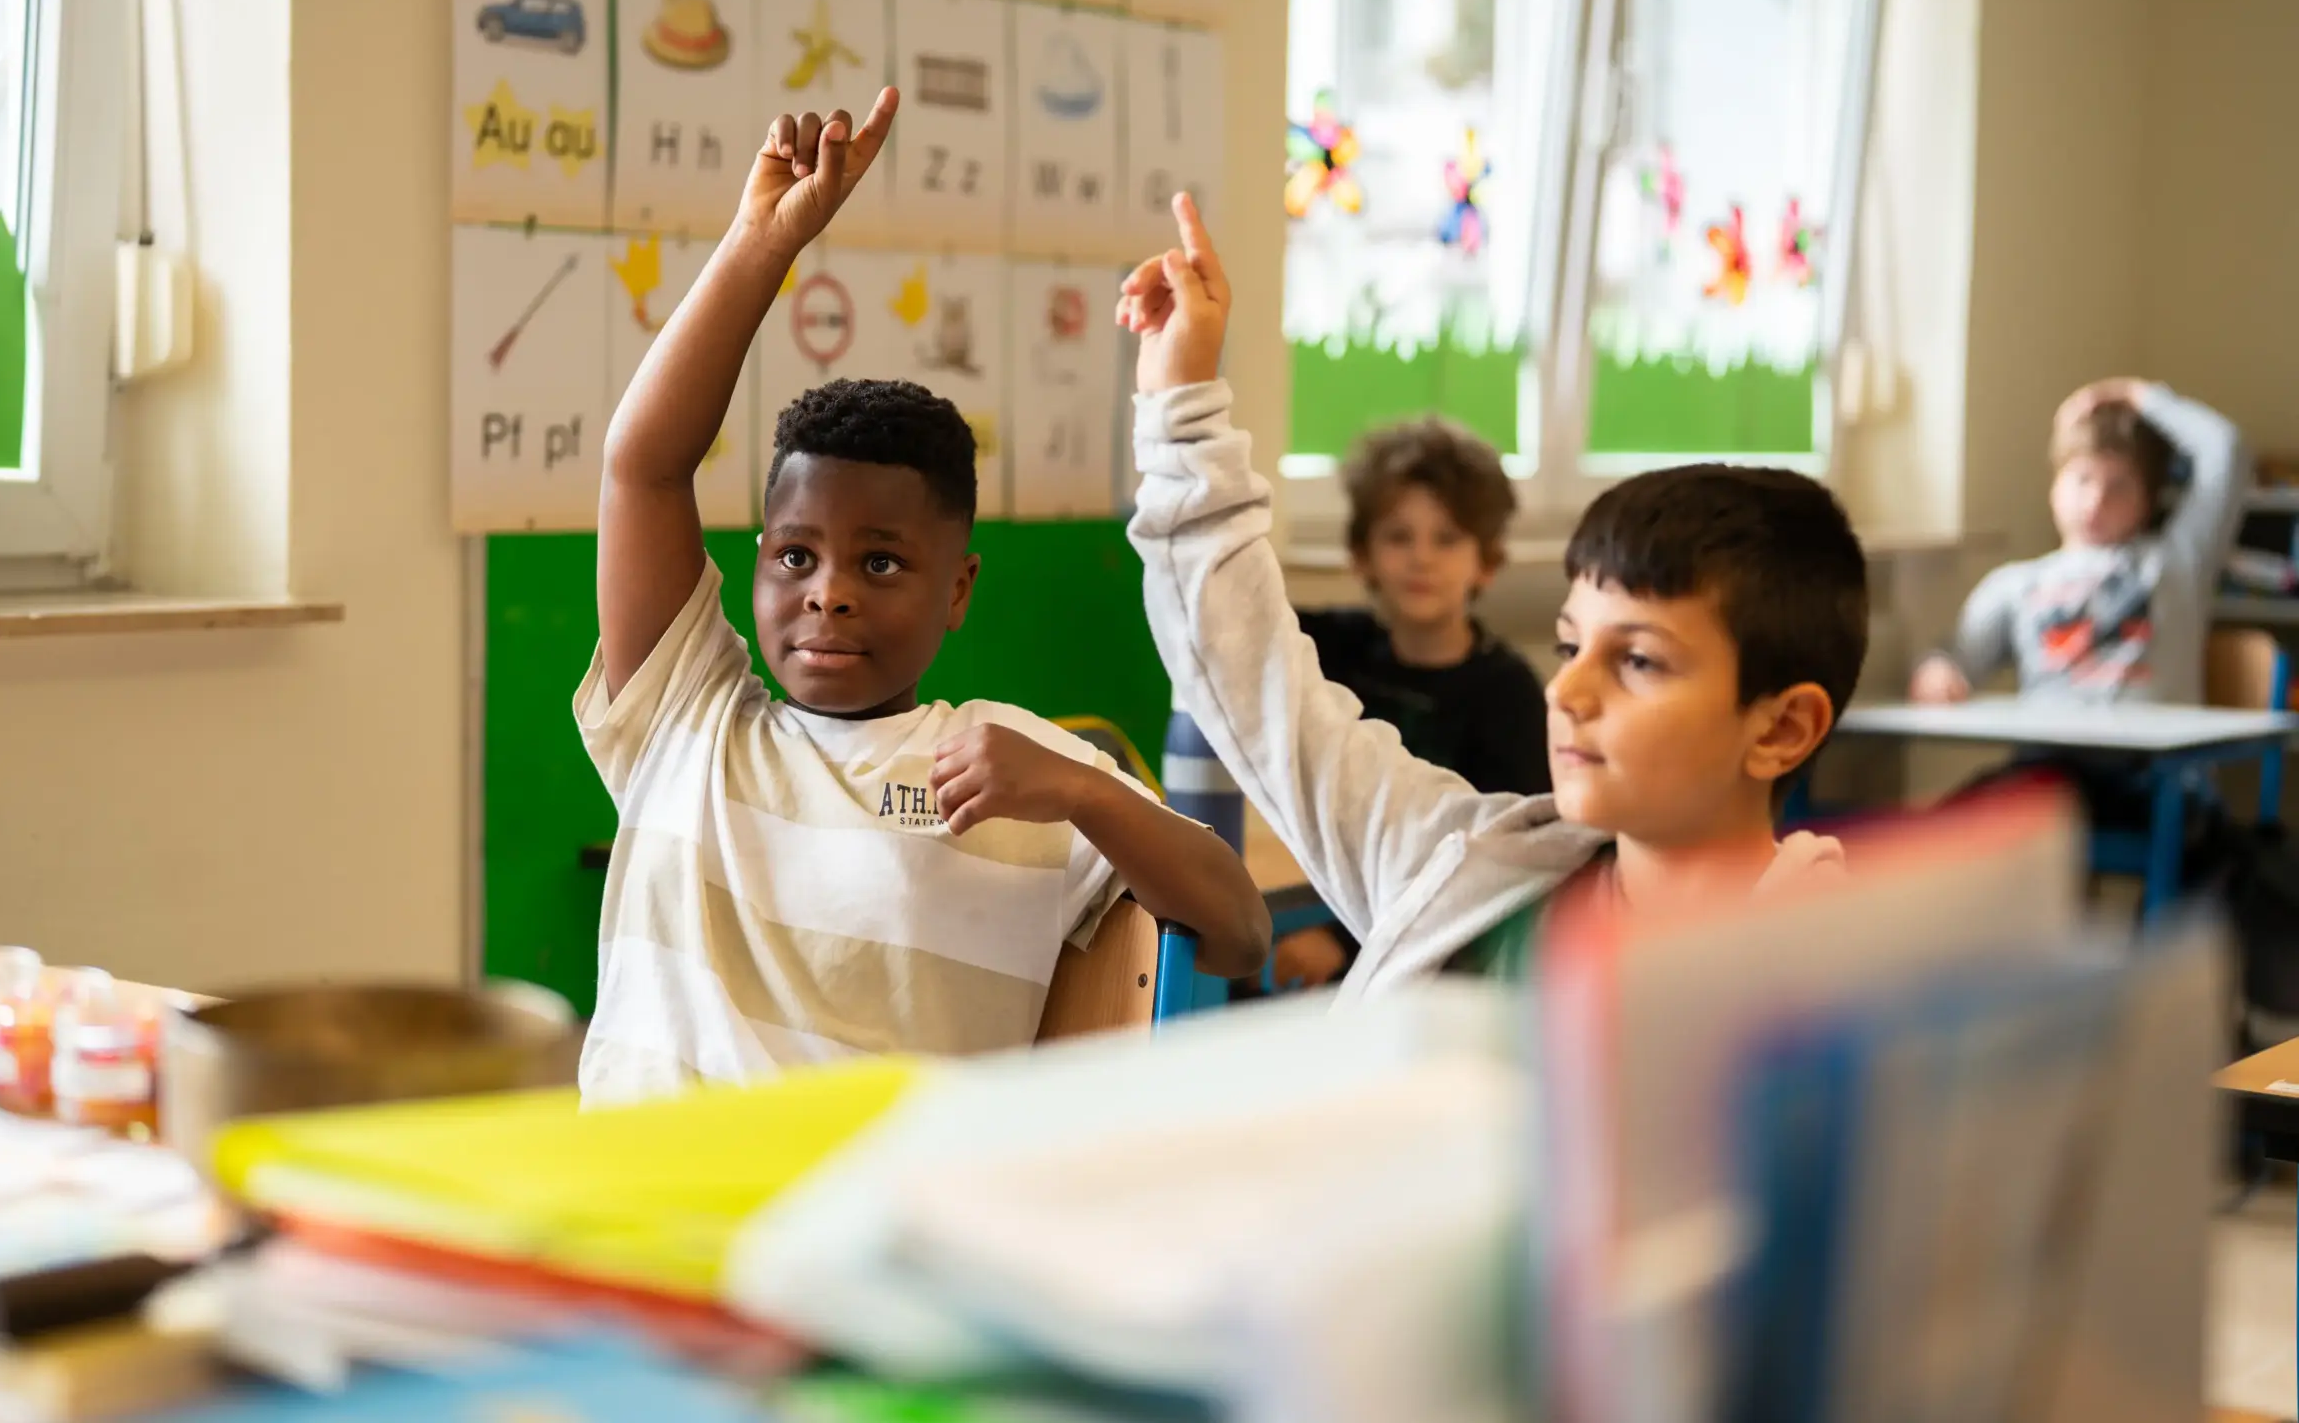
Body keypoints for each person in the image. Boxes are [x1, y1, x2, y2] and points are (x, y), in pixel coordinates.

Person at [575, 94, 1269, 1104]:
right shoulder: (686, 714)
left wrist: (1081, 791)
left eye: (883, 563)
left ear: (960, 589)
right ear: (759, 560)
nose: (831, 597)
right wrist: (760, 241)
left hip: (847, 1236)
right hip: (623, 1217)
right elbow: (641, 467)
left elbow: (1241, 928)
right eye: (796, 558)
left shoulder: (1011, 769)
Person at [1119, 197, 1864, 990]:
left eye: (1640, 661)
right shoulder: (1472, 876)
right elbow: (1259, 685)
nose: (1569, 690)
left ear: (1783, 728)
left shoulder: (1833, 993)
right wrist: (1181, 408)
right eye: (1572, 645)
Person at [1277, 418, 1548, 989]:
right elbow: (1249, 633)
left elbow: (1501, 864)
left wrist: (1338, 939)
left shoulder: (1510, 695)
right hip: (1328, 891)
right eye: (1398, 537)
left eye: (1447, 539)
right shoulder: (1333, 650)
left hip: (1440, 953)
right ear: (1362, 556)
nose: (1421, 558)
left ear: (1487, 563)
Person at [1911, 378, 2247, 707]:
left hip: (2157, 760)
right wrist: (1937, 672)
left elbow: (2225, 449)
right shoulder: (2014, 585)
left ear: (2147, 500)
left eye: (2118, 487)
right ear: (2055, 486)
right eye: (2083, 479)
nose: (2096, 501)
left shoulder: (2178, 561)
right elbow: (1956, 656)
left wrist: (2134, 395)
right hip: (2052, 756)